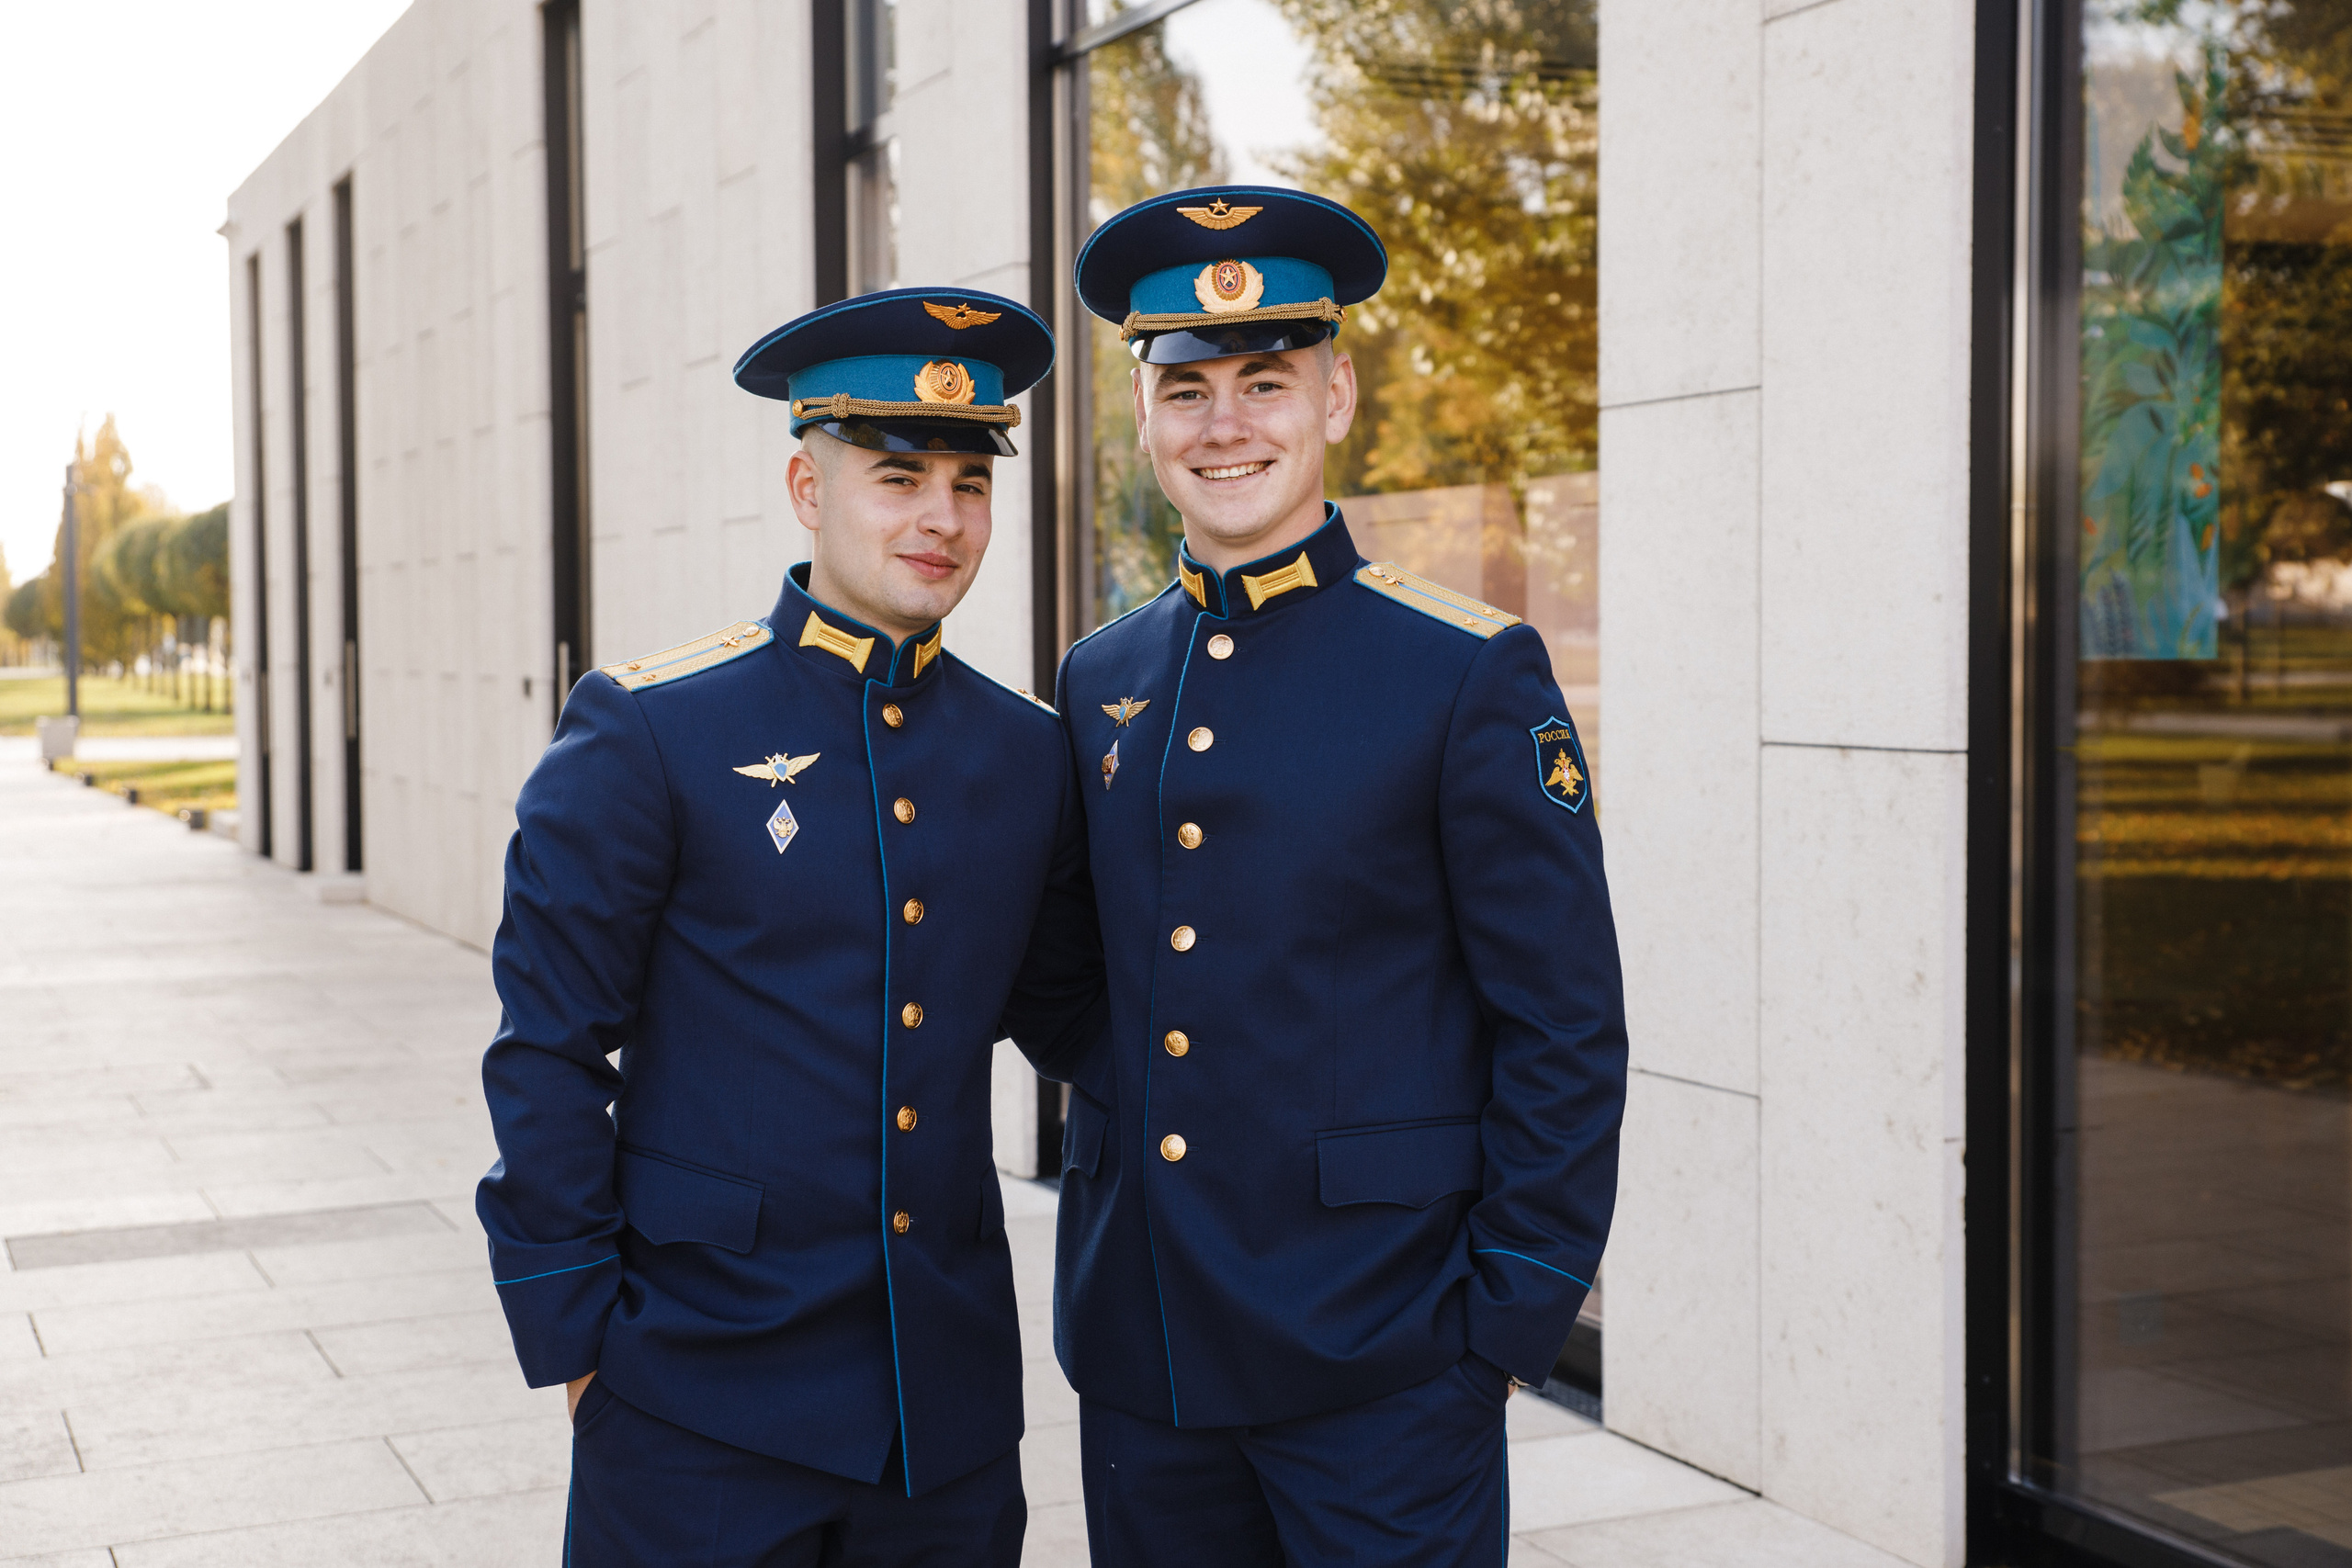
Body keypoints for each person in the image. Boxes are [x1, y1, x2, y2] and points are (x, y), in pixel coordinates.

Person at [1049, 186, 1630, 1566]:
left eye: (1267, 380)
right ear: (1144, 420)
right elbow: (1081, 978)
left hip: (1386, 1358)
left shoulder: (1464, 670)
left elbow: (1564, 1025)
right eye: (1186, 391)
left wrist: (1505, 1325)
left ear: (1338, 397)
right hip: (1150, 1353)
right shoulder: (1101, 675)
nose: (1226, 424)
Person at [475, 287, 1101, 1566]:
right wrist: (581, 1343)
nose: (941, 516)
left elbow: (1090, 1023)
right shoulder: (651, 729)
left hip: (945, 1423)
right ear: (808, 489)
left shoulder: (1030, 754)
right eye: (896, 475)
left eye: (971, 483)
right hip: (696, 1397)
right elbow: (546, 1048)